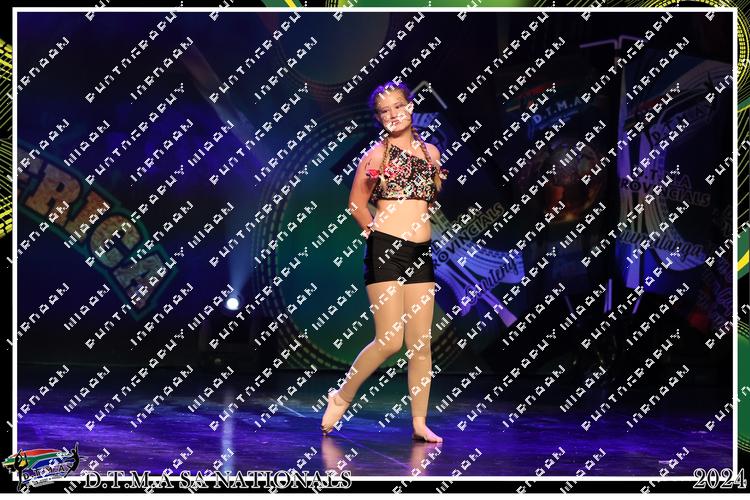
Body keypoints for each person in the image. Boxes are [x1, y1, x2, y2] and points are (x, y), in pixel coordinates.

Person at [320, 81, 449, 443]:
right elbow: (356, 203)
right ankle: (341, 396)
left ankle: (419, 423)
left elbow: (431, 197)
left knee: (420, 343)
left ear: (410, 106)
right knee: (390, 340)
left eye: (398, 106)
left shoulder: (431, 153)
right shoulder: (375, 156)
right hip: (386, 250)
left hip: (420, 252)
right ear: (378, 118)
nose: (393, 114)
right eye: (384, 111)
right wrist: (374, 233)